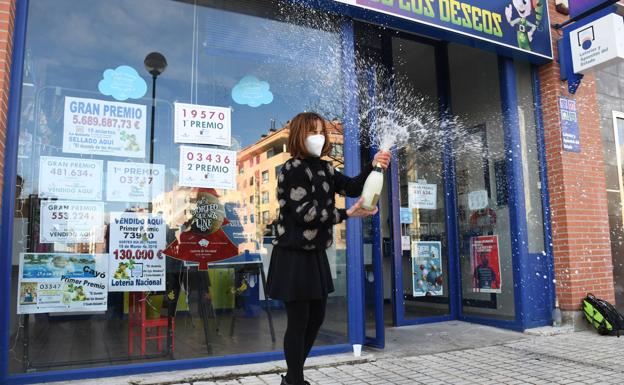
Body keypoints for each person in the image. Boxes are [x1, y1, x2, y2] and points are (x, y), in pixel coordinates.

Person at [266, 112, 391, 385]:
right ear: (299, 134)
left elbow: (352, 186)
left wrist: (374, 165)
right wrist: (347, 214)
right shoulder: (292, 168)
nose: (319, 136)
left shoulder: (325, 168)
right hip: (292, 255)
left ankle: (291, 377)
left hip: (315, 254)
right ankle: (295, 380)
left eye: (321, 131)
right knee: (298, 320)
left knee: (317, 317)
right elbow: (305, 213)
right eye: (312, 131)